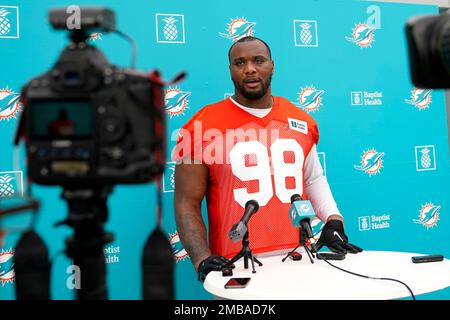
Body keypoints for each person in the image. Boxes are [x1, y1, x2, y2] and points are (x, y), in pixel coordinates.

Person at [173, 36, 362, 283]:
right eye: (239, 63)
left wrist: (333, 220)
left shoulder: (300, 121)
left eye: (258, 60)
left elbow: (313, 179)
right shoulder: (200, 127)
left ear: (272, 65)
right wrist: (201, 258)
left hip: (300, 259)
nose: (250, 69)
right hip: (237, 264)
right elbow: (186, 202)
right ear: (230, 70)